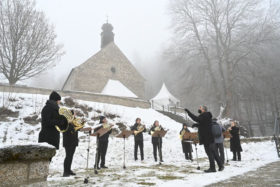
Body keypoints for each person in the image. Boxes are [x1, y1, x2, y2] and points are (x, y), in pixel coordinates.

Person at [185, 106, 224, 172]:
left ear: (203, 110)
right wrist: (196, 125)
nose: (199, 109)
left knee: (209, 153)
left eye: (200, 108)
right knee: (213, 152)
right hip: (209, 137)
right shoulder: (206, 116)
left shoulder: (204, 115)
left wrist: (188, 112)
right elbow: (204, 124)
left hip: (206, 138)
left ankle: (212, 168)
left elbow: (196, 118)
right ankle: (220, 166)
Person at [62, 110, 79, 177]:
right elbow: (68, 130)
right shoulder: (65, 121)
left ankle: (69, 170)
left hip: (73, 141)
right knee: (68, 156)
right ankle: (65, 172)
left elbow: (77, 128)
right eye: (74, 114)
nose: (75, 115)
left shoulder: (74, 121)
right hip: (68, 141)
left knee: (71, 156)